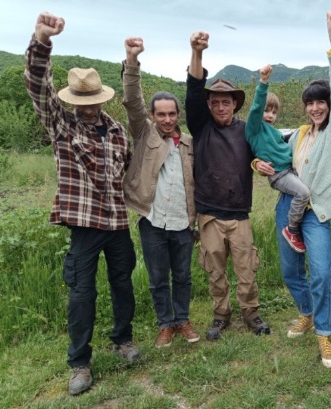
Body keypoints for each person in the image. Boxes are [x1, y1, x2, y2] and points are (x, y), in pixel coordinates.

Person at [24, 12, 140, 396]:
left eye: (93, 101)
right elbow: (38, 87)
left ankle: (123, 339)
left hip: (118, 222)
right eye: (82, 101)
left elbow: (125, 171)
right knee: (81, 293)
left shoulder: (118, 129)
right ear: (74, 100)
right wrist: (42, 40)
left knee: (123, 282)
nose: (88, 108)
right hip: (85, 224)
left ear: (100, 98)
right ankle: (80, 363)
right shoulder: (63, 124)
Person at [260, 11, 331, 368]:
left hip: (316, 211)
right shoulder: (299, 132)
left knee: (319, 272)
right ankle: (306, 311)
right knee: (290, 271)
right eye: (310, 103)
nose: (315, 108)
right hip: (287, 206)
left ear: (330, 106)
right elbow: (271, 149)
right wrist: (258, 164)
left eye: (321, 102)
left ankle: (324, 334)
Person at [185, 30, 271, 340]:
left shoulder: (247, 129)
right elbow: (193, 89)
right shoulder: (201, 126)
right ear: (209, 105)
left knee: (246, 268)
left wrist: (259, 164)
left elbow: (259, 156)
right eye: (216, 102)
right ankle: (221, 313)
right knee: (215, 269)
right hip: (209, 213)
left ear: (235, 104)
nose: (221, 107)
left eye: (227, 102)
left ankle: (251, 311)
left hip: (239, 213)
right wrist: (197, 53)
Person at [121, 37, 200, 349]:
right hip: (153, 220)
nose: (167, 119)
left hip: (183, 221)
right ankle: (165, 324)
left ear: (177, 114)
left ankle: (182, 320)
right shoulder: (145, 134)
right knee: (157, 279)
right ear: (153, 117)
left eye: (172, 114)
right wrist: (132, 61)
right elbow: (132, 102)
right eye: (161, 114)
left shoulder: (190, 144)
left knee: (183, 276)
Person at [246, 64, 311, 254]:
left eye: (274, 112)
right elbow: (256, 108)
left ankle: (302, 224)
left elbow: (288, 139)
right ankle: (291, 230)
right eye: (266, 111)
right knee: (303, 193)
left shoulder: (274, 132)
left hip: (289, 170)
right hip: (279, 175)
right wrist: (263, 82)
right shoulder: (254, 128)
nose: (269, 115)